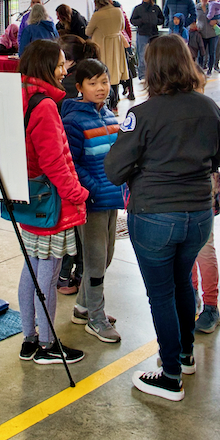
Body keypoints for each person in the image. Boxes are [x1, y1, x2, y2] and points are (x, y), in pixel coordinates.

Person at [104, 34, 220, 401]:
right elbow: (217, 160)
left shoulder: (141, 115)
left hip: (155, 215)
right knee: (182, 286)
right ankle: (185, 354)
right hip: (198, 214)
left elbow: (115, 170)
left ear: (152, 68)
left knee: (161, 294)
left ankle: (170, 375)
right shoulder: (210, 108)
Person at [15, 40, 89, 367]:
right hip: (49, 202)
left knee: (30, 267)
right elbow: (54, 161)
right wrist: (78, 194)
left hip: (26, 197)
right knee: (48, 271)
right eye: (60, 64)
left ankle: (29, 339)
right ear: (45, 66)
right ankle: (47, 343)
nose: (65, 69)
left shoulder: (18, 96)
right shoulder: (44, 105)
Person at [61, 58, 123, 344]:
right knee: (96, 260)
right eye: (93, 83)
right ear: (79, 87)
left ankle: (84, 307)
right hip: (92, 200)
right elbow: (71, 163)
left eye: (104, 82)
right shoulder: (73, 119)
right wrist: (93, 188)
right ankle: (96, 318)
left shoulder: (109, 115)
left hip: (111, 197)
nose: (101, 88)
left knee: (106, 255)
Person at [85, 0, 129, 112]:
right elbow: (122, 27)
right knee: (114, 74)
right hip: (116, 45)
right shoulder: (118, 11)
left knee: (102, 73)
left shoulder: (97, 15)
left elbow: (87, 31)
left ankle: (105, 103)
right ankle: (115, 102)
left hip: (102, 46)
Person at [130, 0, 165, 76]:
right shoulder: (138, 9)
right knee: (142, 55)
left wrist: (155, 20)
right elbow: (132, 21)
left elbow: (162, 19)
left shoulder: (156, 8)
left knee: (155, 55)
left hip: (154, 34)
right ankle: (142, 76)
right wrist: (141, 21)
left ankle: (154, 75)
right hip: (142, 34)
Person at [200, 0, 220, 75]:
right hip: (201, 32)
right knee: (201, 52)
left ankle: (210, 69)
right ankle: (201, 68)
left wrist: (217, 21)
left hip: (213, 33)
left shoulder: (213, 5)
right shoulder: (197, 7)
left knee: (212, 51)